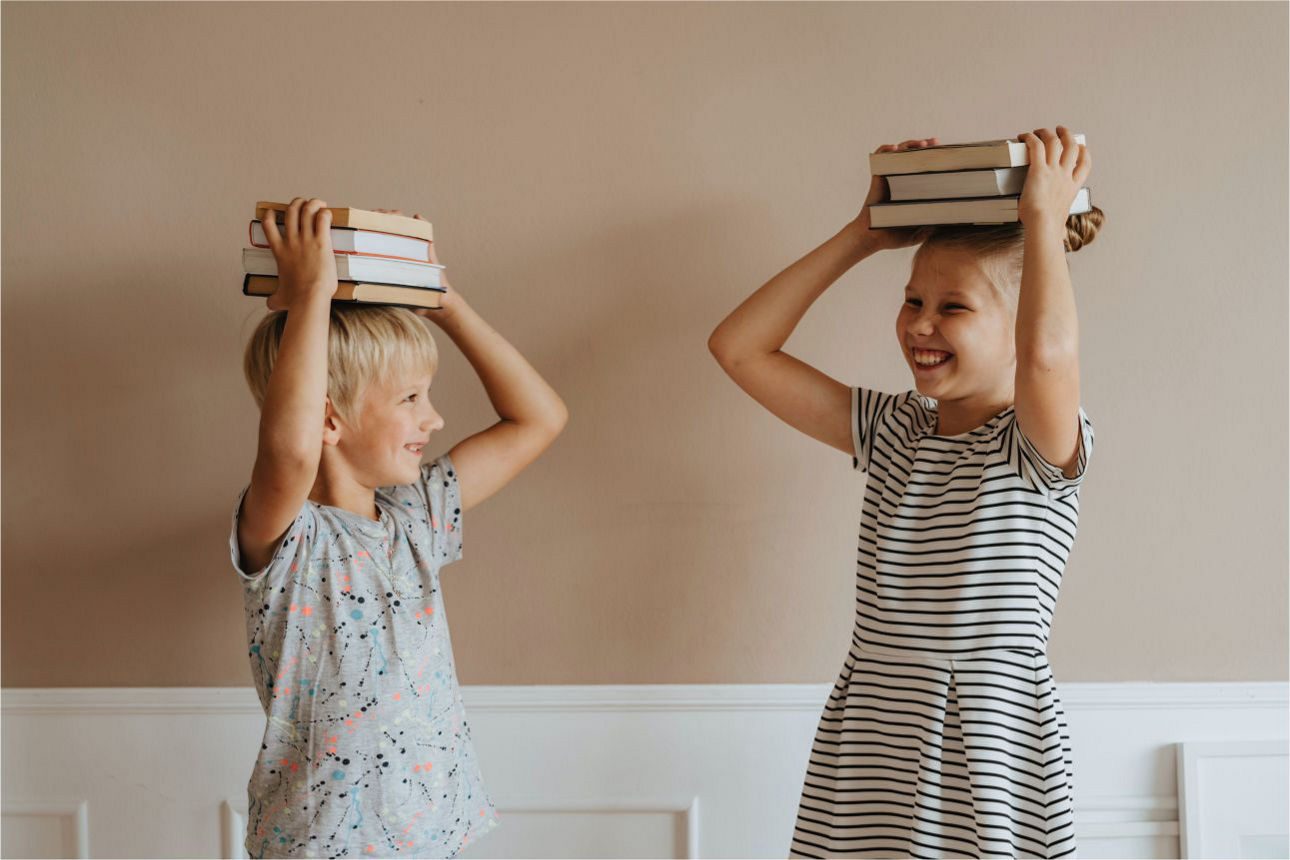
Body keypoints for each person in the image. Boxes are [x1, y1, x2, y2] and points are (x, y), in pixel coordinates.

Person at [708, 127, 1102, 858]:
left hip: (988, 750)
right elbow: (739, 347)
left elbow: (1049, 356)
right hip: (874, 740)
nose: (920, 323)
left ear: (1019, 325)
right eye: (913, 299)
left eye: (953, 308)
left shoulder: (1037, 448)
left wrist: (1044, 220)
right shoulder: (894, 430)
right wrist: (865, 233)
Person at [232, 197, 568, 858]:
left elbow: (540, 419)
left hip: (431, 830)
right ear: (329, 420)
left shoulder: (416, 517)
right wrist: (311, 297)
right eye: (411, 399)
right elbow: (293, 452)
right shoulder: (290, 536)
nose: (434, 419)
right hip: (320, 843)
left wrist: (443, 303)